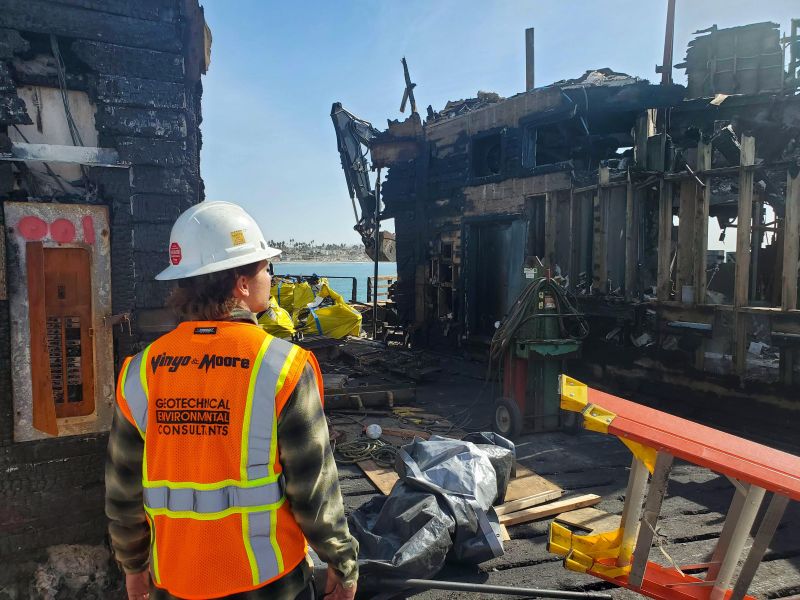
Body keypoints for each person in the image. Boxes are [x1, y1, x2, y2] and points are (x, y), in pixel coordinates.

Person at [105, 201, 358, 600]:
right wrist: (342, 562)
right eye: (264, 267)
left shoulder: (140, 372)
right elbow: (314, 490)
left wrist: (134, 566)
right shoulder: (283, 367)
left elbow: (123, 492)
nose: (270, 276)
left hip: (175, 581)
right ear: (241, 283)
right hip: (268, 584)